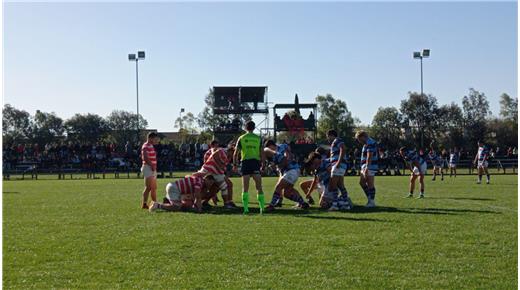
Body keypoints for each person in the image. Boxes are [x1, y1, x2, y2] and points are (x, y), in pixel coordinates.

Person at [264, 140, 309, 211]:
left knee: (279, 186)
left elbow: (286, 158)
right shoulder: (276, 153)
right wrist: (276, 166)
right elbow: (282, 163)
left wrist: (279, 164)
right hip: (292, 171)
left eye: (269, 148)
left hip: (292, 170)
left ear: (271, 145)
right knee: (287, 192)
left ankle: (271, 205)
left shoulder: (281, 147)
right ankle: (303, 203)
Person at [233, 121, 265, 214]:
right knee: (259, 187)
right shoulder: (258, 138)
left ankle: (246, 209)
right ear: (254, 128)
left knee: (245, 188)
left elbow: (235, 153)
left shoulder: (241, 138)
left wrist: (235, 165)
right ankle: (262, 208)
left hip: (245, 163)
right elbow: (262, 152)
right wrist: (263, 164)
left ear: (245, 128)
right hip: (255, 163)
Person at [194, 140, 237, 209]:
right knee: (223, 186)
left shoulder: (226, 154)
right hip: (211, 171)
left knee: (216, 188)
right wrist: (219, 166)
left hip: (214, 171)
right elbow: (213, 156)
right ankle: (227, 203)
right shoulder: (222, 151)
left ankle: (205, 202)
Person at [149, 174, 215, 213]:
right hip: (175, 189)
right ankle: (157, 205)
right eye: (210, 182)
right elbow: (197, 195)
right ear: (206, 179)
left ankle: (167, 201)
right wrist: (199, 207)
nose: (210, 185)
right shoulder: (200, 182)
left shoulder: (199, 180)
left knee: (184, 205)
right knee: (177, 207)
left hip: (175, 188)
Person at [326, 130, 352, 211]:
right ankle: (346, 204)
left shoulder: (337, 140)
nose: (327, 138)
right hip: (341, 165)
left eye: (327, 136)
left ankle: (334, 205)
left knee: (333, 186)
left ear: (331, 135)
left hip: (338, 165)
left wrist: (338, 162)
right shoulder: (336, 141)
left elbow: (343, 149)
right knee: (340, 185)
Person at [355, 130, 378, 208]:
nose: (359, 141)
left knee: (370, 184)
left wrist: (367, 167)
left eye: (359, 139)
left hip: (370, 166)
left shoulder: (370, 142)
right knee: (362, 183)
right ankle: (370, 199)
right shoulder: (367, 143)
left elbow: (370, 155)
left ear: (363, 137)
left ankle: (372, 202)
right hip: (365, 165)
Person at [141, 132, 159, 209]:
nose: (156, 141)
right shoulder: (145, 146)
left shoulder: (151, 146)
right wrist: (152, 166)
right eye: (155, 139)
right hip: (148, 167)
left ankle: (155, 203)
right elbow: (145, 157)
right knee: (148, 187)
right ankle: (145, 204)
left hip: (151, 168)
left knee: (154, 187)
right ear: (150, 138)